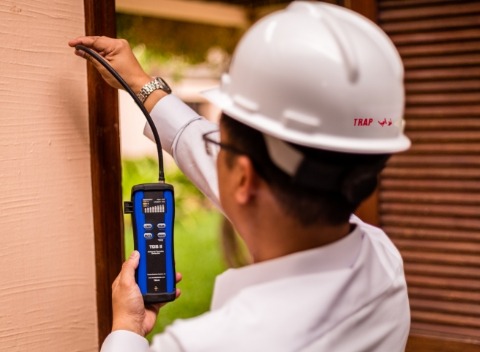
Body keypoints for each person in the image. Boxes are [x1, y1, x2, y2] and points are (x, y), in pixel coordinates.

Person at [69, 2, 411, 351]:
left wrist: (126, 330)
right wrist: (143, 85)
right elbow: (264, 170)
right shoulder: (384, 262)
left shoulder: (207, 344)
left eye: (219, 141)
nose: (213, 151)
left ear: (244, 178)